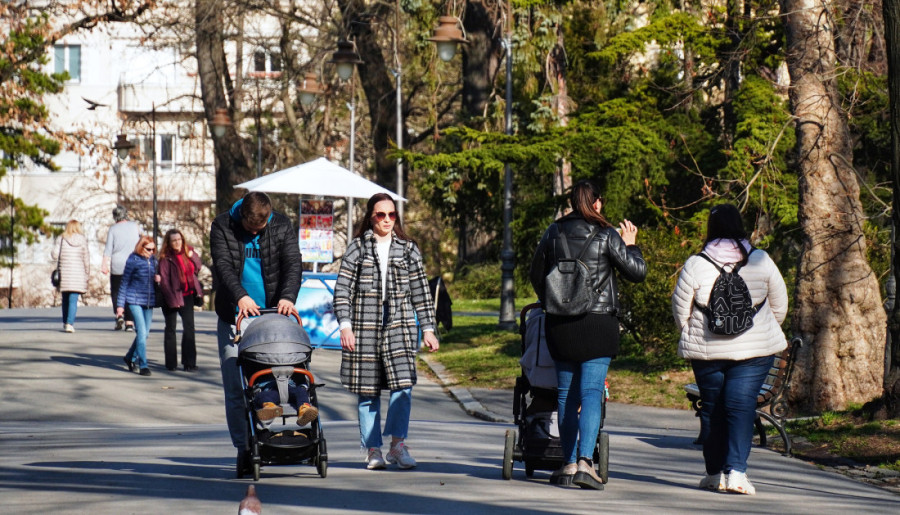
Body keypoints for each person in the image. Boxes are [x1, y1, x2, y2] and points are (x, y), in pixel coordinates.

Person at [529, 180, 647, 490]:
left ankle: (568, 463)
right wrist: (631, 242)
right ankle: (585, 462)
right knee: (592, 391)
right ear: (595, 204)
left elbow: (535, 274)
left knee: (566, 394)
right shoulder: (607, 234)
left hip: (561, 325)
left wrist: (553, 302)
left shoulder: (553, 232)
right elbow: (636, 272)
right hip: (598, 323)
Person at [671, 204, 788, 495]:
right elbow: (780, 305)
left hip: (707, 351)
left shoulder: (696, 263)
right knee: (740, 406)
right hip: (753, 352)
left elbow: (680, 308)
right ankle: (736, 473)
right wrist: (760, 329)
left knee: (711, 408)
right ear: (741, 227)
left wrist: (692, 331)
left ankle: (713, 474)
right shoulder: (760, 259)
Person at [332, 193, 440, 471]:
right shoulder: (357, 248)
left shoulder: (408, 249)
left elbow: (421, 292)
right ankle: (372, 450)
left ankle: (397, 445)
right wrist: (345, 325)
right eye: (381, 215)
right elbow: (342, 290)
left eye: (392, 215)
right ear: (371, 216)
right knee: (367, 391)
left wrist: (428, 328)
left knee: (402, 386)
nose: (387, 220)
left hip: (400, 326)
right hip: (364, 325)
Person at [210, 191, 302, 474]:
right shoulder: (223, 225)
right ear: (242, 217)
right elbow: (223, 266)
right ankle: (244, 447)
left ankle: (275, 433)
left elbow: (293, 264)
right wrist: (240, 296)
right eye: (250, 228)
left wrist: (287, 296)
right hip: (235, 316)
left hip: (273, 316)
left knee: (278, 378)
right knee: (235, 388)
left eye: (258, 230)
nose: (254, 233)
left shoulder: (281, 224)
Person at [158, 229, 203, 372]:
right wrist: (172, 299)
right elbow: (164, 281)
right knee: (170, 329)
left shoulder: (188, 253)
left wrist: (192, 255)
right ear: (169, 243)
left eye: (179, 239)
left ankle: (189, 362)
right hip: (171, 296)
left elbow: (198, 267)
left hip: (187, 294)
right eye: (174, 240)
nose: (178, 242)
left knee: (189, 328)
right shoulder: (166, 258)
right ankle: (171, 363)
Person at [117, 235, 159, 377]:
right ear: (141, 247)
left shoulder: (154, 261)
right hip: (134, 300)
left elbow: (157, 278)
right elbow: (124, 283)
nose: (151, 252)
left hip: (149, 301)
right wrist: (120, 306)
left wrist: (158, 279)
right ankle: (143, 365)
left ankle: (129, 357)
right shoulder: (133, 260)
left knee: (145, 333)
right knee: (141, 332)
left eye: (153, 249)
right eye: (148, 249)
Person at [101, 206, 141, 332]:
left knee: (117, 291)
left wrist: (104, 264)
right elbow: (142, 241)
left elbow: (108, 249)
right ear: (126, 214)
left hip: (117, 264)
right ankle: (129, 323)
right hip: (133, 263)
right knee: (131, 292)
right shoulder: (135, 226)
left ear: (115, 216)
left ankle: (119, 314)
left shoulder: (112, 229)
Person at [51, 220, 90, 333]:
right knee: (73, 300)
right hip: (78, 274)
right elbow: (86, 258)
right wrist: (87, 273)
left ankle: (65, 322)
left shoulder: (61, 238)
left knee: (65, 299)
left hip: (65, 273)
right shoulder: (83, 240)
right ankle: (69, 323)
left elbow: (54, 255)